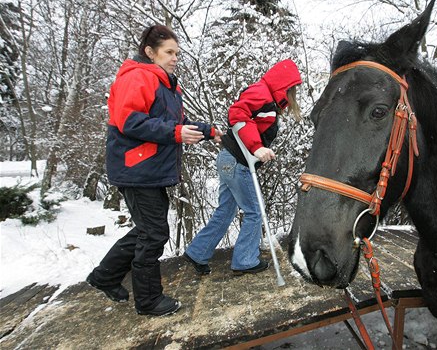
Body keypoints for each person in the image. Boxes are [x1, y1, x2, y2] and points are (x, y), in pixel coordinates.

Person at [86, 24, 221, 316]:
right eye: (169, 52)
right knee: (155, 233)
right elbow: (130, 123)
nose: (175, 58)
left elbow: (173, 125)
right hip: (136, 167)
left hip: (150, 169)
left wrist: (208, 130)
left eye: (177, 53)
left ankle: (105, 276)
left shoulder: (166, 84)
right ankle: (147, 300)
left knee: (149, 229)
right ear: (150, 52)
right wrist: (176, 133)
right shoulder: (138, 78)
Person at [183, 59, 302, 276]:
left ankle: (198, 252)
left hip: (229, 160)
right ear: (284, 84)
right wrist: (256, 148)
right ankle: (245, 260)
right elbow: (237, 114)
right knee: (255, 211)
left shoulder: (268, 98)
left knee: (226, 210)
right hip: (237, 162)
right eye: (292, 89)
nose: (293, 94)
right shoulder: (262, 93)